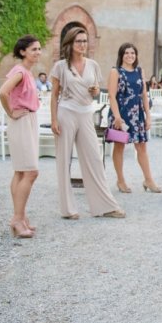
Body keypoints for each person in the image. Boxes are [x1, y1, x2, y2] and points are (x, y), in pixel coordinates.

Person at [50, 28, 125, 220]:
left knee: (94, 158)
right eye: (78, 41)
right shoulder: (60, 66)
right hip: (65, 112)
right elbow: (54, 95)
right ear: (70, 44)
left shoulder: (93, 65)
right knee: (63, 160)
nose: (82, 44)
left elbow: (96, 91)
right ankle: (68, 209)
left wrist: (94, 91)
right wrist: (53, 120)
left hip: (86, 114)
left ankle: (105, 206)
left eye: (84, 41)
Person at [0, 35, 42, 238]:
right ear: (23, 51)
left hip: (28, 121)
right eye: (33, 49)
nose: (38, 52)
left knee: (21, 172)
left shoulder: (27, 73)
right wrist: (11, 113)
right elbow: (3, 92)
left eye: (39, 49)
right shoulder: (20, 72)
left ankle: (20, 217)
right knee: (31, 172)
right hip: (21, 121)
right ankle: (17, 218)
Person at [107, 42, 162, 194]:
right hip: (121, 114)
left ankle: (148, 179)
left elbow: (144, 94)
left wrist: (148, 116)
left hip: (137, 114)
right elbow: (111, 95)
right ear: (121, 55)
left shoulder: (139, 71)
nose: (130, 56)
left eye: (132, 53)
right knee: (120, 146)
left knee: (142, 146)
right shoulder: (115, 72)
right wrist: (117, 117)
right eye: (126, 53)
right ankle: (120, 180)